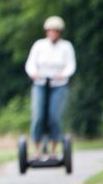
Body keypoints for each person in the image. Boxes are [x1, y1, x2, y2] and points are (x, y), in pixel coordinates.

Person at [24, 15, 76, 158]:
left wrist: (63, 74)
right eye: (50, 31)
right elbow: (30, 63)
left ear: (60, 32)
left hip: (58, 85)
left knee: (54, 117)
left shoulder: (66, 47)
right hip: (40, 84)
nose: (53, 33)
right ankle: (36, 150)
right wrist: (33, 73)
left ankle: (53, 150)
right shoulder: (39, 45)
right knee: (38, 117)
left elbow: (71, 65)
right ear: (46, 32)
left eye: (56, 31)